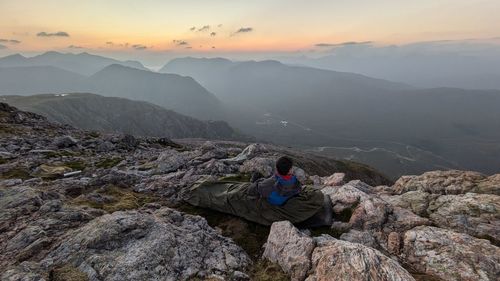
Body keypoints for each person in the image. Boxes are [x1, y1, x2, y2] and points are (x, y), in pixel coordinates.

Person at [186, 156, 332, 227]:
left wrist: (255, 181)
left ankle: (200, 191)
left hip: (263, 200)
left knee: (229, 194)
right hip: (283, 200)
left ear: (277, 169)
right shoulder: (293, 181)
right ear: (289, 170)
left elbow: (252, 190)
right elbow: (296, 190)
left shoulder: (271, 182)